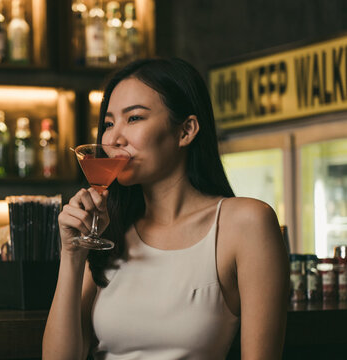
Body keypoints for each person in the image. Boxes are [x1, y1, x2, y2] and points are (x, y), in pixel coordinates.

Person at [43, 58, 289, 360]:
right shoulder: (109, 231)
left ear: (186, 130)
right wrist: (73, 254)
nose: (113, 139)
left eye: (133, 119)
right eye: (108, 123)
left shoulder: (246, 223)